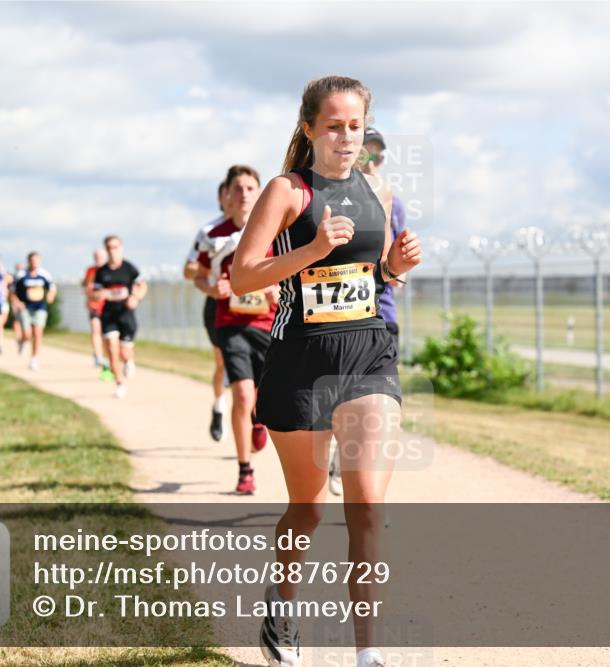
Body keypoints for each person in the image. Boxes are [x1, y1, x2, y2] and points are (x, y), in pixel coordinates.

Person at [231, 76, 422, 667]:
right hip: (300, 361)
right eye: (334, 126)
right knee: (308, 507)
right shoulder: (287, 192)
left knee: (366, 506)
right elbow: (243, 277)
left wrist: (395, 265)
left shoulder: (379, 189)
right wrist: (311, 251)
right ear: (310, 127)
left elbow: (378, 279)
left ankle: (368, 654)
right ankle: (282, 603)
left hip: (368, 352)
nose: (346, 137)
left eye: (355, 126)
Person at [328, 126, 407, 496]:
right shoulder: (329, 196)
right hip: (336, 320)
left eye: (377, 154)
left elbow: (395, 264)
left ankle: (373, 497)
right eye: (365, 152)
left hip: (381, 316)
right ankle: (337, 458)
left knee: (380, 409)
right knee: (341, 403)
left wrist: (398, 268)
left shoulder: (392, 199)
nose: (371, 160)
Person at [193, 165, 277, 495]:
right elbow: (199, 275)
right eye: (238, 188)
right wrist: (213, 289)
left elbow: (289, 272)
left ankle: (259, 420)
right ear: (228, 196)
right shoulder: (214, 236)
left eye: (250, 187)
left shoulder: (273, 232)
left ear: (260, 194)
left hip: (268, 324)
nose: (244, 194)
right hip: (231, 325)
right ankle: (245, 470)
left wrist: (276, 288)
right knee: (242, 393)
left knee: (265, 397)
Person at [184, 180, 231, 441]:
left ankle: (254, 416)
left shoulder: (258, 224)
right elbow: (189, 269)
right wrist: (212, 277)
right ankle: (219, 405)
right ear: (222, 198)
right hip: (218, 302)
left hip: (256, 304)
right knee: (223, 362)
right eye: (230, 192)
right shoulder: (209, 231)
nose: (237, 198)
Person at [92, 235, 148, 398]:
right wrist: (100, 294)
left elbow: (142, 285)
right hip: (109, 314)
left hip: (126, 315)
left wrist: (136, 297)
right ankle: (119, 383)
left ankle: (129, 361)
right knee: (111, 347)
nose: (112, 250)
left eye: (115, 247)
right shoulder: (102, 272)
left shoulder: (129, 268)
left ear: (121, 248)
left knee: (125, 352)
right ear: (106, 249)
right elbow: (95, 293)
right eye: (109, 247)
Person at [12, 252, 56, 370]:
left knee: (37, 333)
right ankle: (22, 341)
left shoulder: (44, 274)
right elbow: (12, 291)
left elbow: (52, 288)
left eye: (36, 260)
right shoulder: (21, 275)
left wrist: (50, 296)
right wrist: (17, 302)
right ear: (28, 261)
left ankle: (34, 359)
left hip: (40, 308)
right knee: (27, 334)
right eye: (32, 260)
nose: (34, 262)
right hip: (25, 307)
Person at [82, 248, 109, 372]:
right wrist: (89, 298)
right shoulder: (91, 271)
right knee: (95, 328)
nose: (98, 259)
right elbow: (86, 287)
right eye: (96, 257)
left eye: (101, 257)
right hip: (94, 305)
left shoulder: (111, 271)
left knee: (106, 334)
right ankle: (98, 356)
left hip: (109, 307)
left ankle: (106, 355)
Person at [10, 262, 26, 353]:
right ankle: (19, 338)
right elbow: (11, 292)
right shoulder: (14, 279)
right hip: (16, 303)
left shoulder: (26, 277)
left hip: (26, 304)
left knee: (25, 323)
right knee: (17, 321)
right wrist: (16, 302)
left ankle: (22, 340)